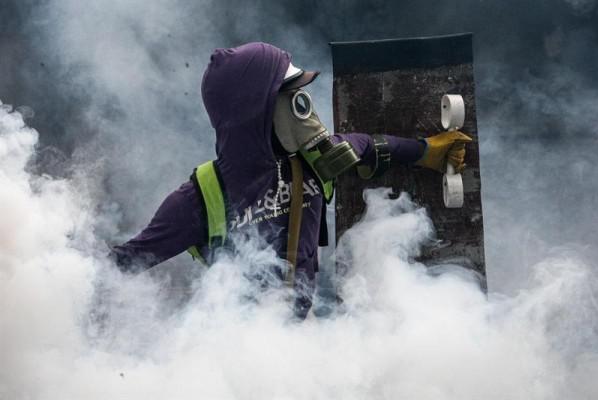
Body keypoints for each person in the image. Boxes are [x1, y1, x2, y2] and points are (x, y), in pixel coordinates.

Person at [110, 42, 471, 319]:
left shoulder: (313, 163)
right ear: (258, 111)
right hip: (232, 351)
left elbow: (365, 147)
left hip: (300, 341)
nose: (305, 110)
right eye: (293, 98)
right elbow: (128, 260)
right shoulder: (200, 199)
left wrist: (425, 151)